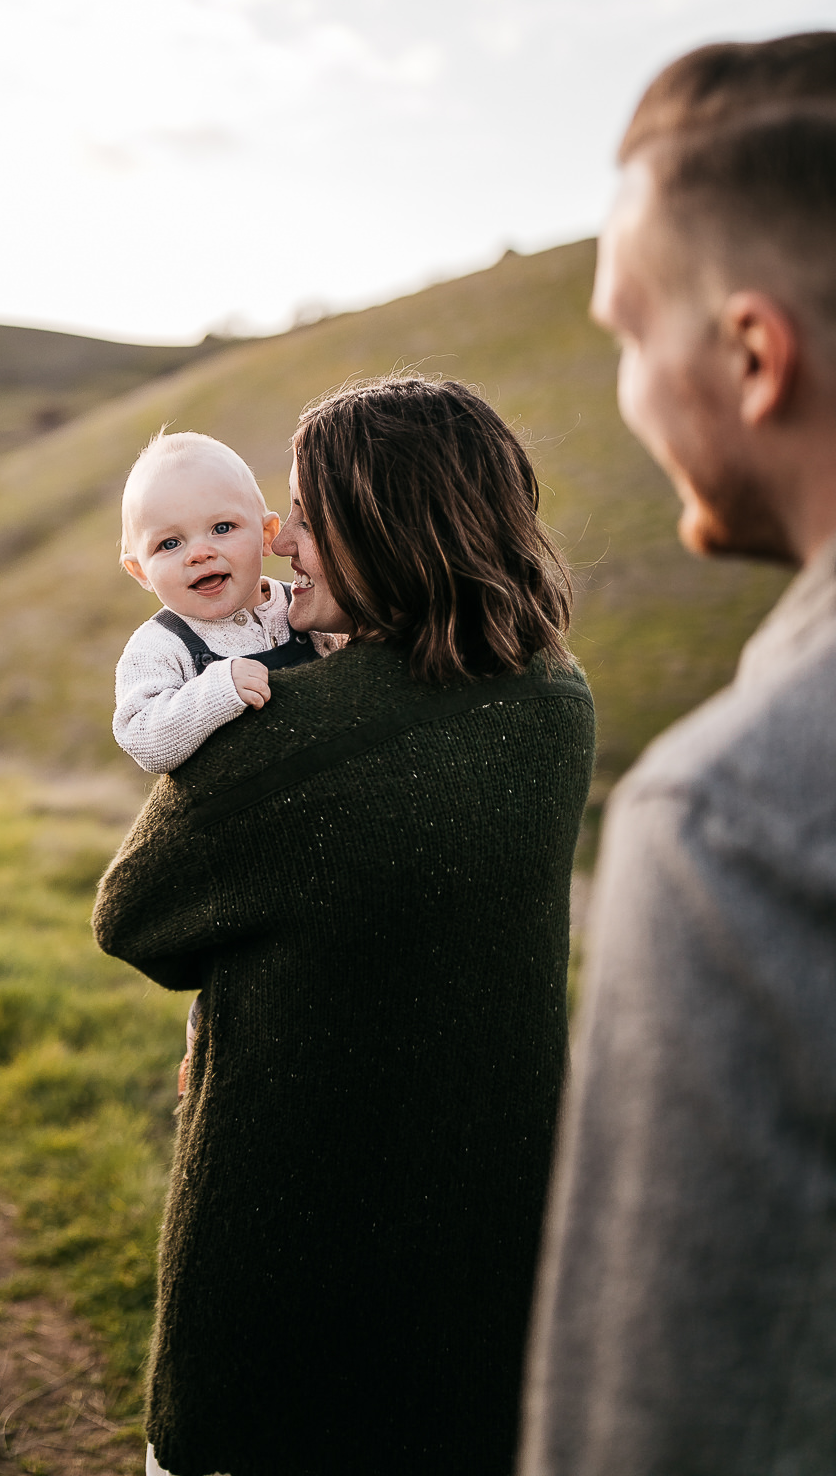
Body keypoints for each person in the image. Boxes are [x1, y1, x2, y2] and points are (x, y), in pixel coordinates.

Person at [93, 376, 596, 1476]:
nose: (284, 542)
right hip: (492, 1225)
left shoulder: (296, 727)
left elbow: (136, 917)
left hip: (294, 1216)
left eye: (309, 518)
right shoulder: (558, 700)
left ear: (385, 529)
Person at [520, 32, 836, 1476]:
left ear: (756, 355)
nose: (629, 393)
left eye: (627, 335)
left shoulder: (734, 825)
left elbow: (655, 1432)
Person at [115, 429, 343, 1094]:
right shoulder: (162, 647)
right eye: (169, 543)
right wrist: (212, 693)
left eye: (223, 527)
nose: (201, 552)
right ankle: (210, 1053)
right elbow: (142, 735)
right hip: (235, 850)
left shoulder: (293, 610)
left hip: (317, 828)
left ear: (267, 532)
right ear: (138, 569)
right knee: (241, 979)